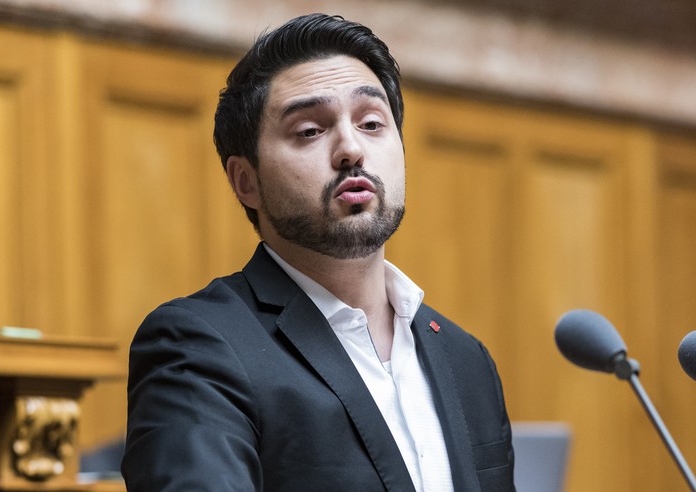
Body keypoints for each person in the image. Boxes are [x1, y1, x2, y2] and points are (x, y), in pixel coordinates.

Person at [121, 13, 515, 492]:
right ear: (246, 181)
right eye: (310, 130)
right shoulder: (198, 346)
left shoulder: (465, 359)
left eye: (372, 123)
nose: (351, 149)